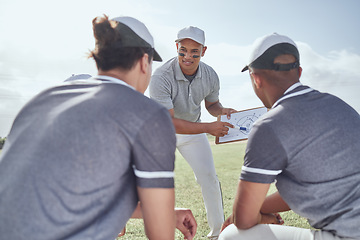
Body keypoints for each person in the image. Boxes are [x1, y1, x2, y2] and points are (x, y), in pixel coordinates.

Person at [0, 15, 196, 240]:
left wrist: (165, 213)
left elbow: (56, 193)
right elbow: (160, 235)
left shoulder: (42, 100)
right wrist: (161, 216)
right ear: (144, 62)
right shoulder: (148, 113)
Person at [219, 33, 360, 240]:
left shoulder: (269, 126)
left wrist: (260, 217)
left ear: (256, 79)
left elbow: (242, 220)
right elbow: (308, 187)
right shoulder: (341, 106)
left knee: (232, 235)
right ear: (299, 71)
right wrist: (259, 209)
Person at [149, 26, 237, 239]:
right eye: (183, 50)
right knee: (155, 183)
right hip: (162, 133)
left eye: (194, 51)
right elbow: (169, 122)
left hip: (194, 132)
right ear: (177, 47)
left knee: (209, 178)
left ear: (203, 51)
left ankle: (218, 233)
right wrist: (208, 127)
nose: (187, 56)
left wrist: (221, 112)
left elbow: (212, 104)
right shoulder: (160, 76)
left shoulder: (210, 75)